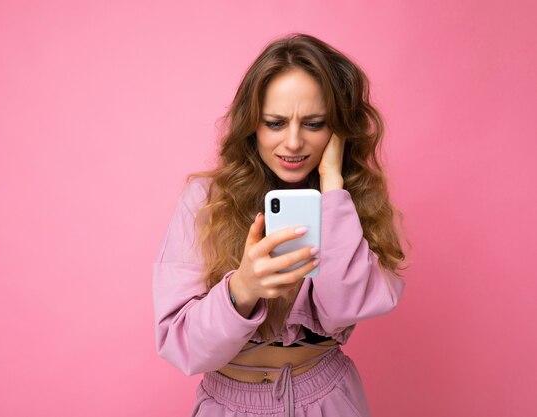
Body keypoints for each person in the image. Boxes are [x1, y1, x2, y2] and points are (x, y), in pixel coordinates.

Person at [152, 33, 408, 417]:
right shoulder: (206, 199)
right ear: (251, 124)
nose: (293, 142)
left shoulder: (350, 199)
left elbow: (345, 306)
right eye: (275, 122)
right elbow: (182, 344)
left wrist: (333, 186)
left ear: (338, 129)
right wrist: (244, 288)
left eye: (315, 123)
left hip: (328, 397)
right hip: (228, 404)